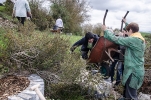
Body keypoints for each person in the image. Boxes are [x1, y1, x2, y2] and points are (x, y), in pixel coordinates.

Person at [101, 19, 145, 100]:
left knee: (132, 96)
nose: (127, 33)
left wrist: (106, 30)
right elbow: (132, 29)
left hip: (133, 73)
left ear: (131, 30)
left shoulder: (133, 40)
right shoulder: (140, 38)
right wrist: (126, 23)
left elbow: (117, 39)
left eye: (128, 31)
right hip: (137, 70)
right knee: (128, 93)